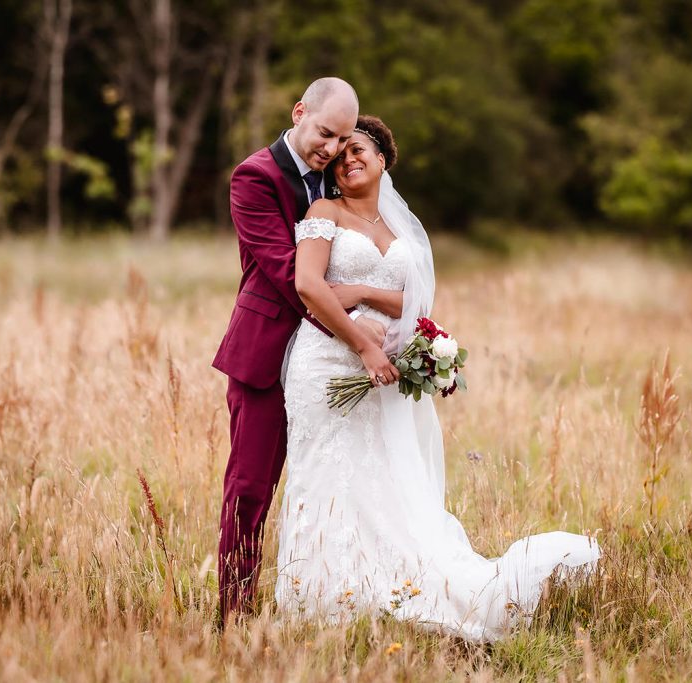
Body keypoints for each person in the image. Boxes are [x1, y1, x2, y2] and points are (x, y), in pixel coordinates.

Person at [275, 115, 601, 641]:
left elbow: (417, 302)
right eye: (339, 155)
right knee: (331, 473)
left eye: (359, 149)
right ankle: (326, 593)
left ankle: (395, 582)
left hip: (385, 371)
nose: (348, 159)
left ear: (383, 158)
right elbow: (309, 285)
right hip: (328, 363)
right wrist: (361, 340)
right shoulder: (323, 211)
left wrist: (361, 291)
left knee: (387, 475)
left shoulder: (403, 228)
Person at [212, 77, 386, 622]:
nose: (331, 148)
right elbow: (291, 273)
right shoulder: (254, 176)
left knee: (332, 485)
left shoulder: (337, 184)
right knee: (249, 489)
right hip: (266, 353)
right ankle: (234, 613)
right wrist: (358, 329)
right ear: (299, 112)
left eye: (341, 140)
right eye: (324, 133)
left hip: (323, 363)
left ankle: (330, 600)